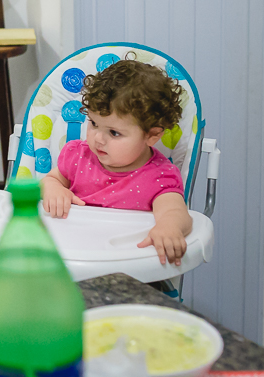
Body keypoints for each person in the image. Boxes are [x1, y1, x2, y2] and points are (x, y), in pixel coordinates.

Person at [40, 59, 193, 266]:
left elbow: (175, 212)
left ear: (152, 135)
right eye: (94, 123)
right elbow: (50, 180)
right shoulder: (79, 157)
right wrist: (54, 189)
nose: (98, 138)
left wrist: (169, 228)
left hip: (127, 265)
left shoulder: (159, 177)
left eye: (114, 132)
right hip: (73, 259)